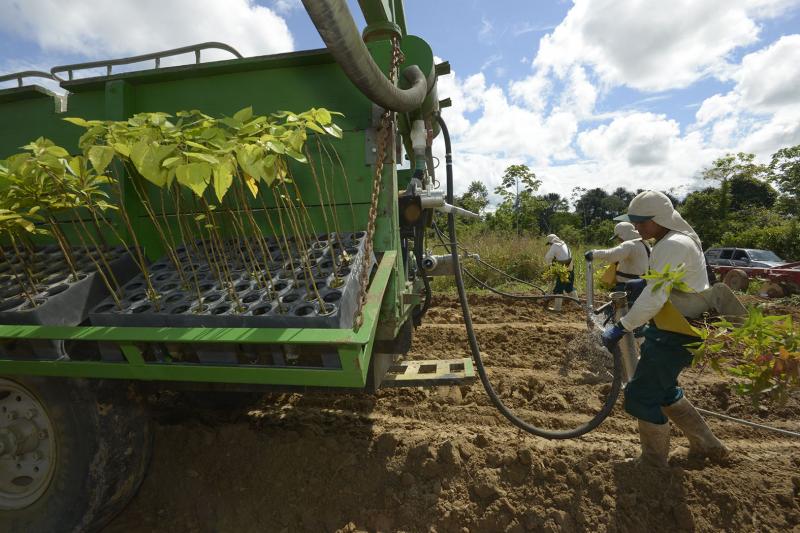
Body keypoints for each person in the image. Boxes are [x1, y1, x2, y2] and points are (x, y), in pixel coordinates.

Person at [600, 191, 731, 468]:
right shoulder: (672, 240)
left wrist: (622, 326)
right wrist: (644, 284)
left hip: (675, 332)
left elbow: (656, 296)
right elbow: (667, 283)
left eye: (641, 222)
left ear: (659, 219)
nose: (637, 228)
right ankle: (707, 444)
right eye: (634, 222)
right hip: (677, 327)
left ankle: (652, 462)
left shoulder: (672, 244)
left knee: (640, 395)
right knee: (664, 391)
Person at [584, 222, 650, 291]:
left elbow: (611, 254)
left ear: (623, 234)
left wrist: (594, 253)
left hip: (630, 286)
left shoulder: (629, 245)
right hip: (641, 284)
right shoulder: (644, 243)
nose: (619, 240)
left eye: (619, 237)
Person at [543, 234, 577, 312]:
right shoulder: (564, 244)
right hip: (570, 266)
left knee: (559, 288)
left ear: (551, 242)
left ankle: (557, 309)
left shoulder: (555, 245)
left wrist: (550, 266)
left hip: (563, 269)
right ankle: (577, 305)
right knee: (569, 288)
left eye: (549, 244)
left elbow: (547, 257)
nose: (550, 246)